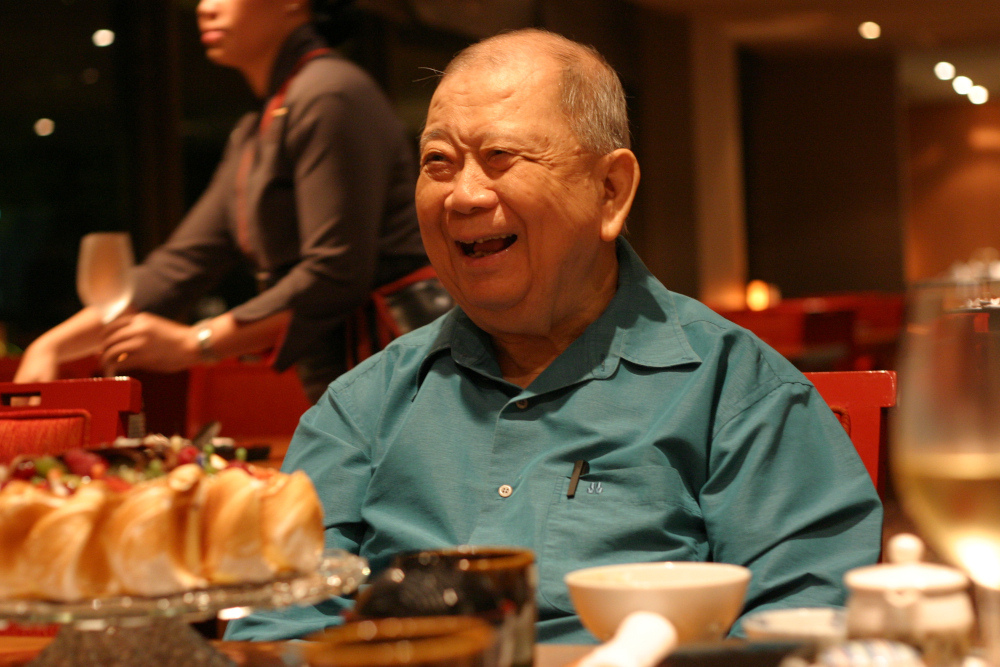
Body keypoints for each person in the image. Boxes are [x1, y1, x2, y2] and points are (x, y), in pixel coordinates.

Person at [226, 28, 882, 643]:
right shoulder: (361, 408)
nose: (462, 195)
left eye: (500, 156)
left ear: (610, 190)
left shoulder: (737, 391)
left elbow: (806, 623)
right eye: (438, 161)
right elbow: (277, 621)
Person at [14, 0, 427, 402]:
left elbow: (337, 270)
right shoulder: (261, 123)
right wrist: (49, 345)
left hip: (398, 363)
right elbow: (181, 265)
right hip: (352, 371)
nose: (204, 7)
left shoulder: (330, 92)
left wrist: (198, 341)